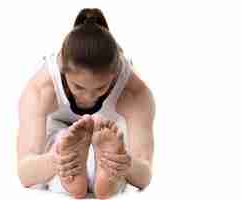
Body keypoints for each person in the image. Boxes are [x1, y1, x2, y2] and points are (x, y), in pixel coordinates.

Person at [16, 8, 155, 199]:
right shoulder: (41, 89)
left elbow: (145, 174)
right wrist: (56, 160)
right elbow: (26, 173)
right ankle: (74, 172)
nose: (89, 97)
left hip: (107, 132)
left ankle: (106, 174)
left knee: (118, 153)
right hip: (58, 134)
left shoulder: (134, 93)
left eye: (100, 88)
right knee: (56, 146)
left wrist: (126, 163)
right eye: (78, 87)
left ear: (115, 75)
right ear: (63, 71)